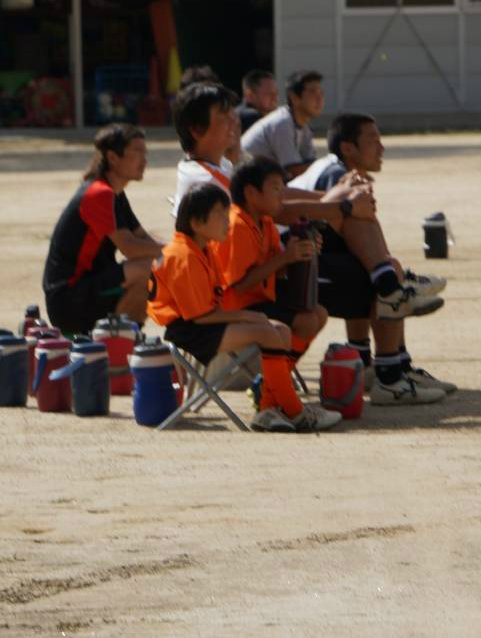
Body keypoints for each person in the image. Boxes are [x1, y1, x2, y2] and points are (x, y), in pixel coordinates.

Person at [171, 80, 441, 322]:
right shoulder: (204, 178)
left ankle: (389, 287)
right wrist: (341, 205)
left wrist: (334, 198)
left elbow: (278, 194)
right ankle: (390, 293)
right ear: (197, 130)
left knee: (373, 254)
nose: (234, 120)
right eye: (224, 115)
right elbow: (275, 208)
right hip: (256, 268)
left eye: (232, 113)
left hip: (267, 251)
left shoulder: (219, 166)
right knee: (370, 263)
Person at [147, 183, 341, 432]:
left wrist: (250, 317)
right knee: (266, 331)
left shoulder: (201, 249)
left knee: (280, 330)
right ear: (196, 223)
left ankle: (268, 409)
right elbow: (200, 316)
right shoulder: (183, 255)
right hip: (189, 331)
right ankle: (295, 412)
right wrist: (248, 316)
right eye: (220, 215)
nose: (226, 221)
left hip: (203, 322)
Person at [294, 113, 456, 395]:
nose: (382, 148)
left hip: (306, 258)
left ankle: (369, 361)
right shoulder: (336, 174)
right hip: (290, 266)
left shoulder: (334, 169)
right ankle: (391, 376)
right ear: (347, 148)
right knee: (385, 278)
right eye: (373, 140)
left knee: (378, 269)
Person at [215, 158, 335, 429]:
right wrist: (285, 258)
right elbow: (237, 286)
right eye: (275, 189)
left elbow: (277, 269)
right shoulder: (237, 225)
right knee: (305, 321)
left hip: (258, 299)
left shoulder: (264, 222)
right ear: (251, 192)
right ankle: (271, 401)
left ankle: (269, 393)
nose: (282, 195)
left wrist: (301, 251)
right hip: (233, 307)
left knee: (318, 313)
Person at [42, 124, 163, 334]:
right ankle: (117, 342)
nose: (145, 160)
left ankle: (124, 341)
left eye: (146, 153)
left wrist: (176, 254)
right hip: (69, 300)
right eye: (137, 152)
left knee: (159, 269)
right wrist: (176, 251)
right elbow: (131, 248)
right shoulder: (99, 193)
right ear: (113, 158)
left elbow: (143, 238)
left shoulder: (116, 194)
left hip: (89, 288)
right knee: (150, 269)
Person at [240, 69, 321, 180]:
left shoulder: (303, 126)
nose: (319, 98)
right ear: (294, 97)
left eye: (321, 93)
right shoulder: (281, 122)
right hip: (247, 181)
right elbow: (294, 170)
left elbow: (310, 162)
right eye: (313, 92)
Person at [236, 69, 278, 135]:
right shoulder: (250, 117)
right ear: (249, 95)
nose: (275, 98)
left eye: (276, 94)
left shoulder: (236, 114)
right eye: (269, 94)